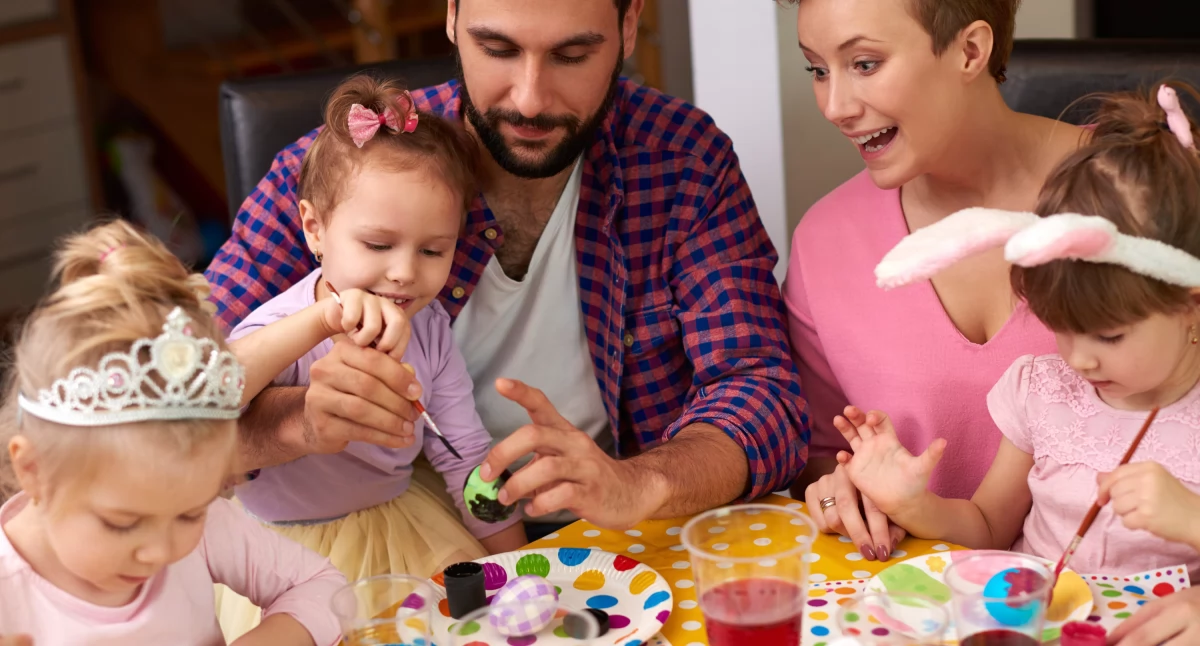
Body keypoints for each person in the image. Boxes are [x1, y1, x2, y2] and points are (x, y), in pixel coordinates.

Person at [205, 0, 808, 535]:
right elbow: (148, 416)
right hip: (414, 546)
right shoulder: (338, 175)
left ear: (628, 26)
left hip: (628, 538)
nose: (530, 99)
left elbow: (764, 396)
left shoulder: (681, 160)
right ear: (451, 19)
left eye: (572, 55)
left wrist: (640, 484)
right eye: (498, 49)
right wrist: (298, 424)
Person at [837, 83, 1200, 577]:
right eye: (1062, 329)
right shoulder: (1044, 393)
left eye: (1109, 337)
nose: (1080, 360)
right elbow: (988, 526)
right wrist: (913, 505)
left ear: (1189, 305)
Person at [214, 75, 527, 640]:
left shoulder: (429, 331)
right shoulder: (283, 327)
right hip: (280, 553)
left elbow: (466, 460)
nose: (406, 271)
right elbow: (211, 398)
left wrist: (521, 574)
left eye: (434, 250)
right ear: (314, 228)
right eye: (378, 245)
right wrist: (320, 321)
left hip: (402, 529)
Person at [783, 0, 1085, 561]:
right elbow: (817, 458)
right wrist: (841, 489)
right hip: (918, 607)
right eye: (818, 70)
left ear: (970, 50)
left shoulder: (1151, 192)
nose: (834, 105)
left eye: (865, 63)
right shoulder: (824, 241)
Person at [0, 220, 345, 644]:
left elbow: (322, 585)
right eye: (122, 524)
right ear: (34, 470)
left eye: (190, 514)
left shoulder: (189, 513)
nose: (161, 552)